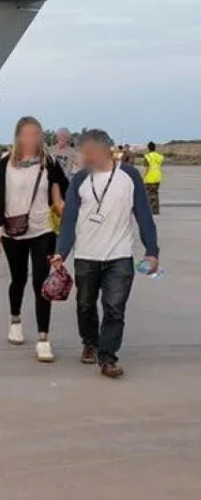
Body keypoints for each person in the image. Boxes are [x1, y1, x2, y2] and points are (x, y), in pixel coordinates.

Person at [53, 129, 160, 379]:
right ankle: (90, 342)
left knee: (114, 309)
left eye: (88, 152)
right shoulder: (80, 180)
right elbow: (69, 220)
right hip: (86, 255)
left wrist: (151, 251)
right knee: (85, 305)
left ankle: (108, 357)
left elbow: (144, 215)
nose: (84, 157)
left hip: (119, 256)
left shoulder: (129, 176)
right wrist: (61, 252)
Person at [0, 116, 69, 362]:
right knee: (18, 279)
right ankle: (15, 319)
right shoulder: (5, 163)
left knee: (40, 283)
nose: (31, 138)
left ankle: (43, 338)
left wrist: (69, 219)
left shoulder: (50, 163)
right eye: (26, 134)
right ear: (17, 137)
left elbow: (61, 196)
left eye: (35, 133)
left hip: (42, 230)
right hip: (12, 231)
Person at [143, 141, 164, 214]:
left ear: (148, 148)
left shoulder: (147, 157)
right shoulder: (159, 156)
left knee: (149, 194)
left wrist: (143, 177)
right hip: (157, 177)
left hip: (149, 177)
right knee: (155, 193)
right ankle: (155, 210)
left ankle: (149, 210)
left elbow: (147, 168)